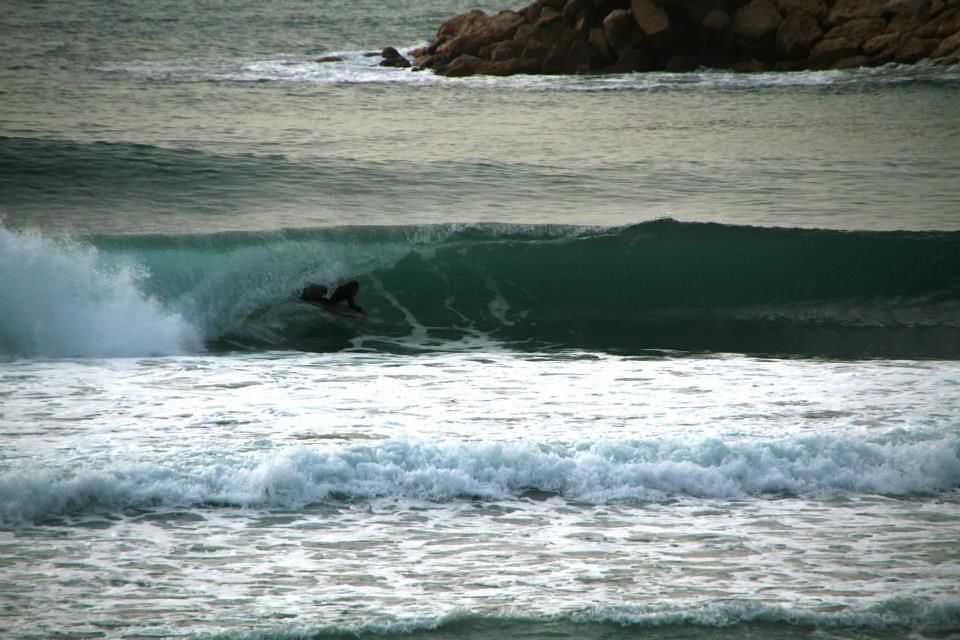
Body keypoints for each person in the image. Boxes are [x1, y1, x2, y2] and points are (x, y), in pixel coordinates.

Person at [301, 280, 365, 314]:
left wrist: (360, 310)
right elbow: (328, 300)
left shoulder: (348, 293)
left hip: (326, 290)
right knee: (307, 297)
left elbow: (351, 305)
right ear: (352, 289)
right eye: (357, 289)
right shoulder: (343, 292)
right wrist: (361, 310)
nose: (357, 290)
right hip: (323, 291)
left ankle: (306, 290)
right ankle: (303, 291)